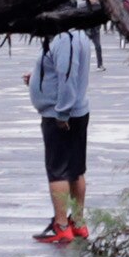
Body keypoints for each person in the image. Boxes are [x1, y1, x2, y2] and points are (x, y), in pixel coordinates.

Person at [28, 22, 94, 244]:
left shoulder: (65, 38)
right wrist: (38, 80)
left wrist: (62, 114)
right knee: (75, 170)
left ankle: (62, 225)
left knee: (59, 171)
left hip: (63, 116)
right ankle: (77, 223)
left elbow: (67, 76)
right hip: (73, 111)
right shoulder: (76, 35)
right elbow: (60, 73)